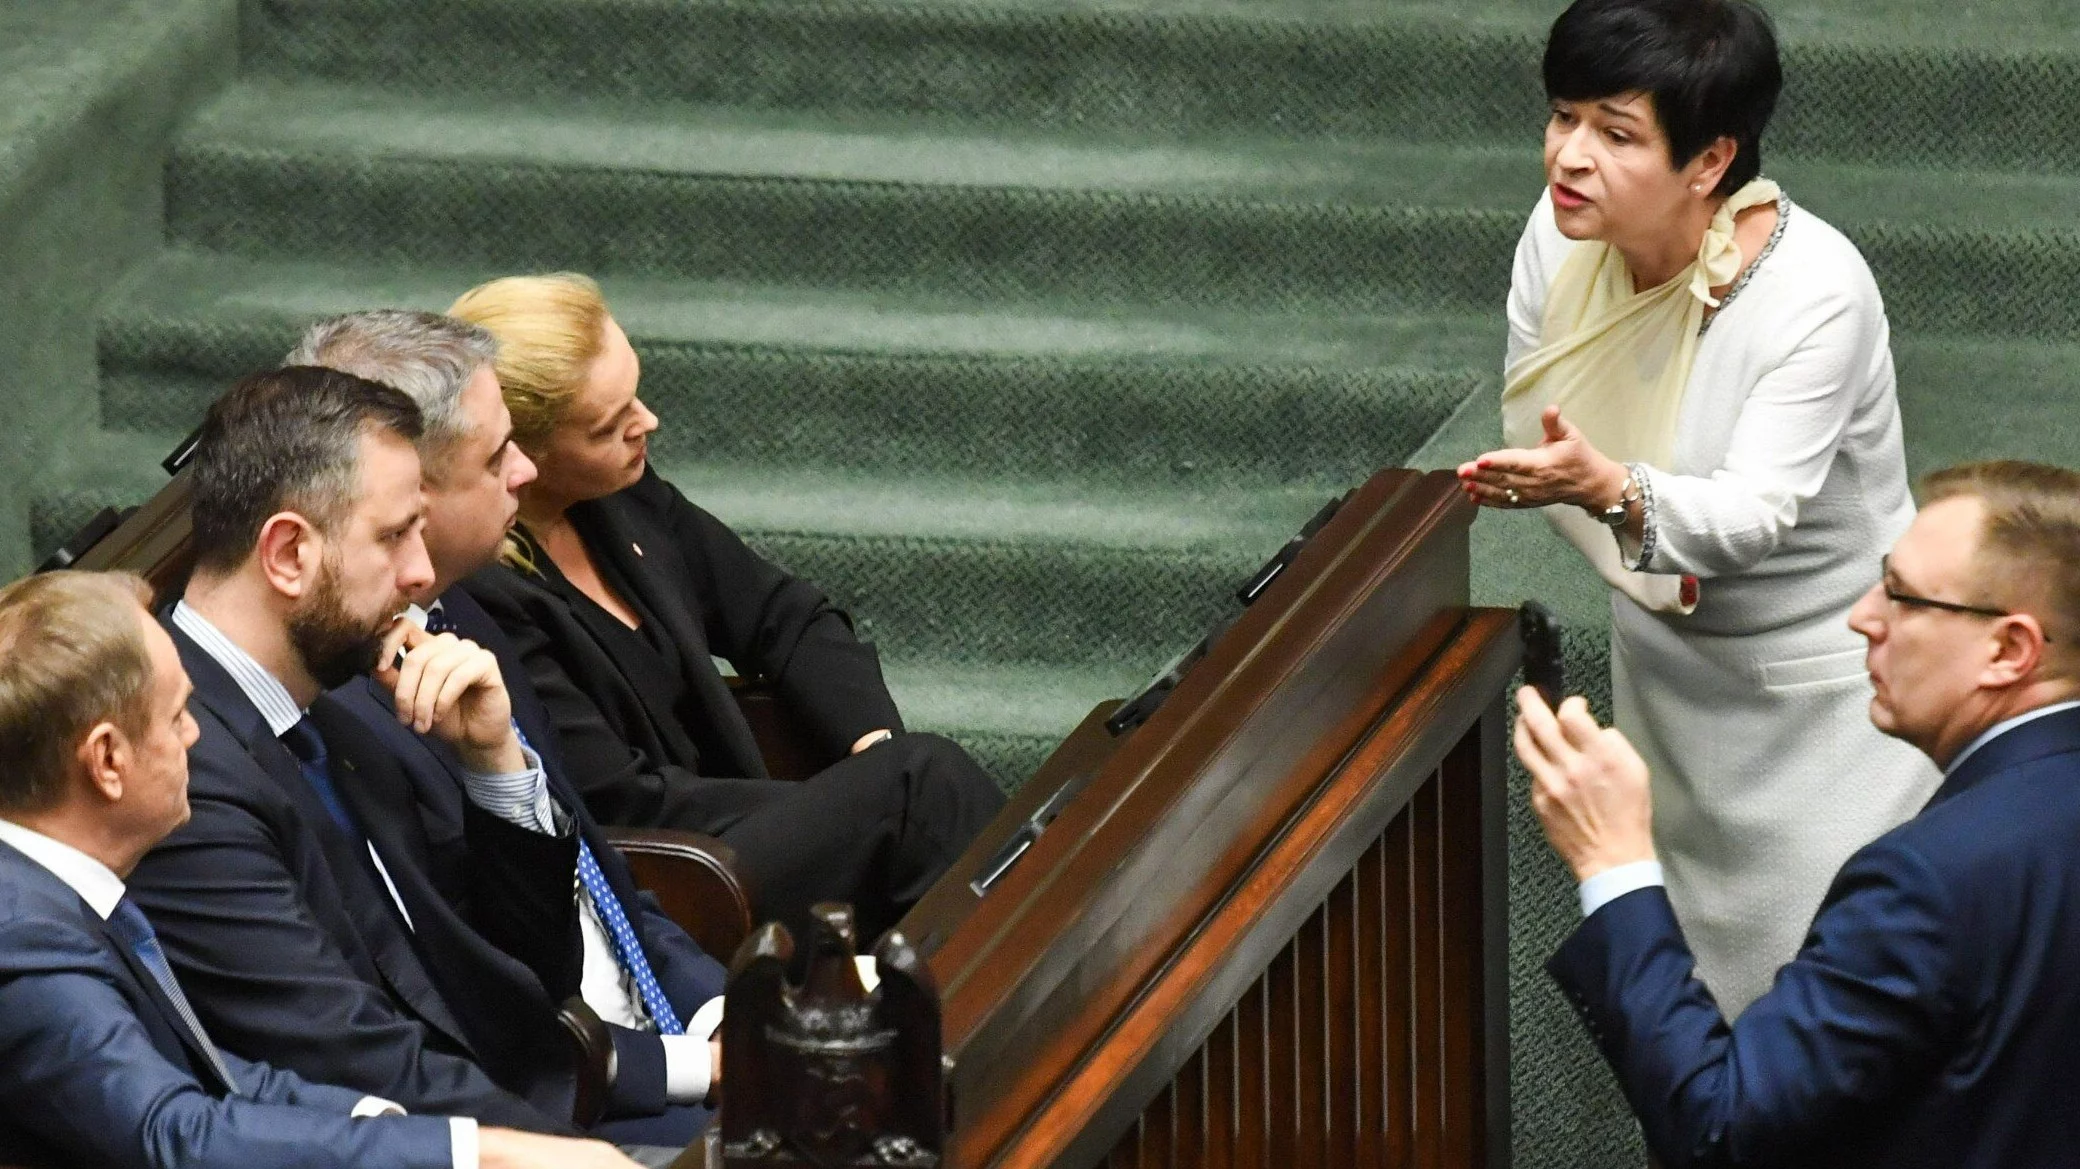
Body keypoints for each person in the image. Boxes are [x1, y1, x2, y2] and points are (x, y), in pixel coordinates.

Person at [1455, 0, 1937, 1014]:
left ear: (1709, 159)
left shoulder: (1815, 291)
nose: (1568, 156)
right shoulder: (1557, 234)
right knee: (1683, 991)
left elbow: (1754, 516)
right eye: (1561, 116)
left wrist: (1611, 488)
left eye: (1615, 133)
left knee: (1827, 996)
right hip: (1669, 666)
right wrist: (1597, 496)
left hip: (1830, 693)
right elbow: (1534, 404)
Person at [121, 365, 646, 1141]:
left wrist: (495, 766)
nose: (422, 572)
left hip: (526, 1106)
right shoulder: (183, 772)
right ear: (288, 553)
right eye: (394, 536)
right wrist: (581, 1157)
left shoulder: (343, 707)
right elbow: (354, 1059)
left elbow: (533, 973)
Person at [1516, 460, 2080, 1168]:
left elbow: (1718, 1126)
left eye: (1902, 596)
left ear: (2010, 649)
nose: (1862, 615)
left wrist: (1615, 862)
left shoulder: (1927, 883)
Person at [0, 570, 639, 1169]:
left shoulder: (51, 894)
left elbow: (218, 1074)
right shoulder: (24, 933)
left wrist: (422, 1133)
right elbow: (177, 1133)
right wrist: (481, 1157)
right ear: (107, 760)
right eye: (177, 717)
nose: (196, 737)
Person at [446, 273, 1005, 941]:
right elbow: (621, 801)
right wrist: (855, 804)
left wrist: (870, 746)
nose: (646, 422)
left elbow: (784, 614)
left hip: (736, 834)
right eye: (609, 424)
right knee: (922, 787)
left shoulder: (621, 498)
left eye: (635, 395)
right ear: (524, 451)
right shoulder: (486, 593)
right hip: (667, 882)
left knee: (909, 782)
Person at [287, 309, 730, 1145]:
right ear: (406, 486)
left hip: (655, 1050)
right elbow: (490, 997)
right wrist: (692, 1065)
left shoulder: (462, 610)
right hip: (566, 1108)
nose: (527, 470)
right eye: (496, 457)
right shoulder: (340, 703)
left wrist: (716, 1011)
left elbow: (601, 881)